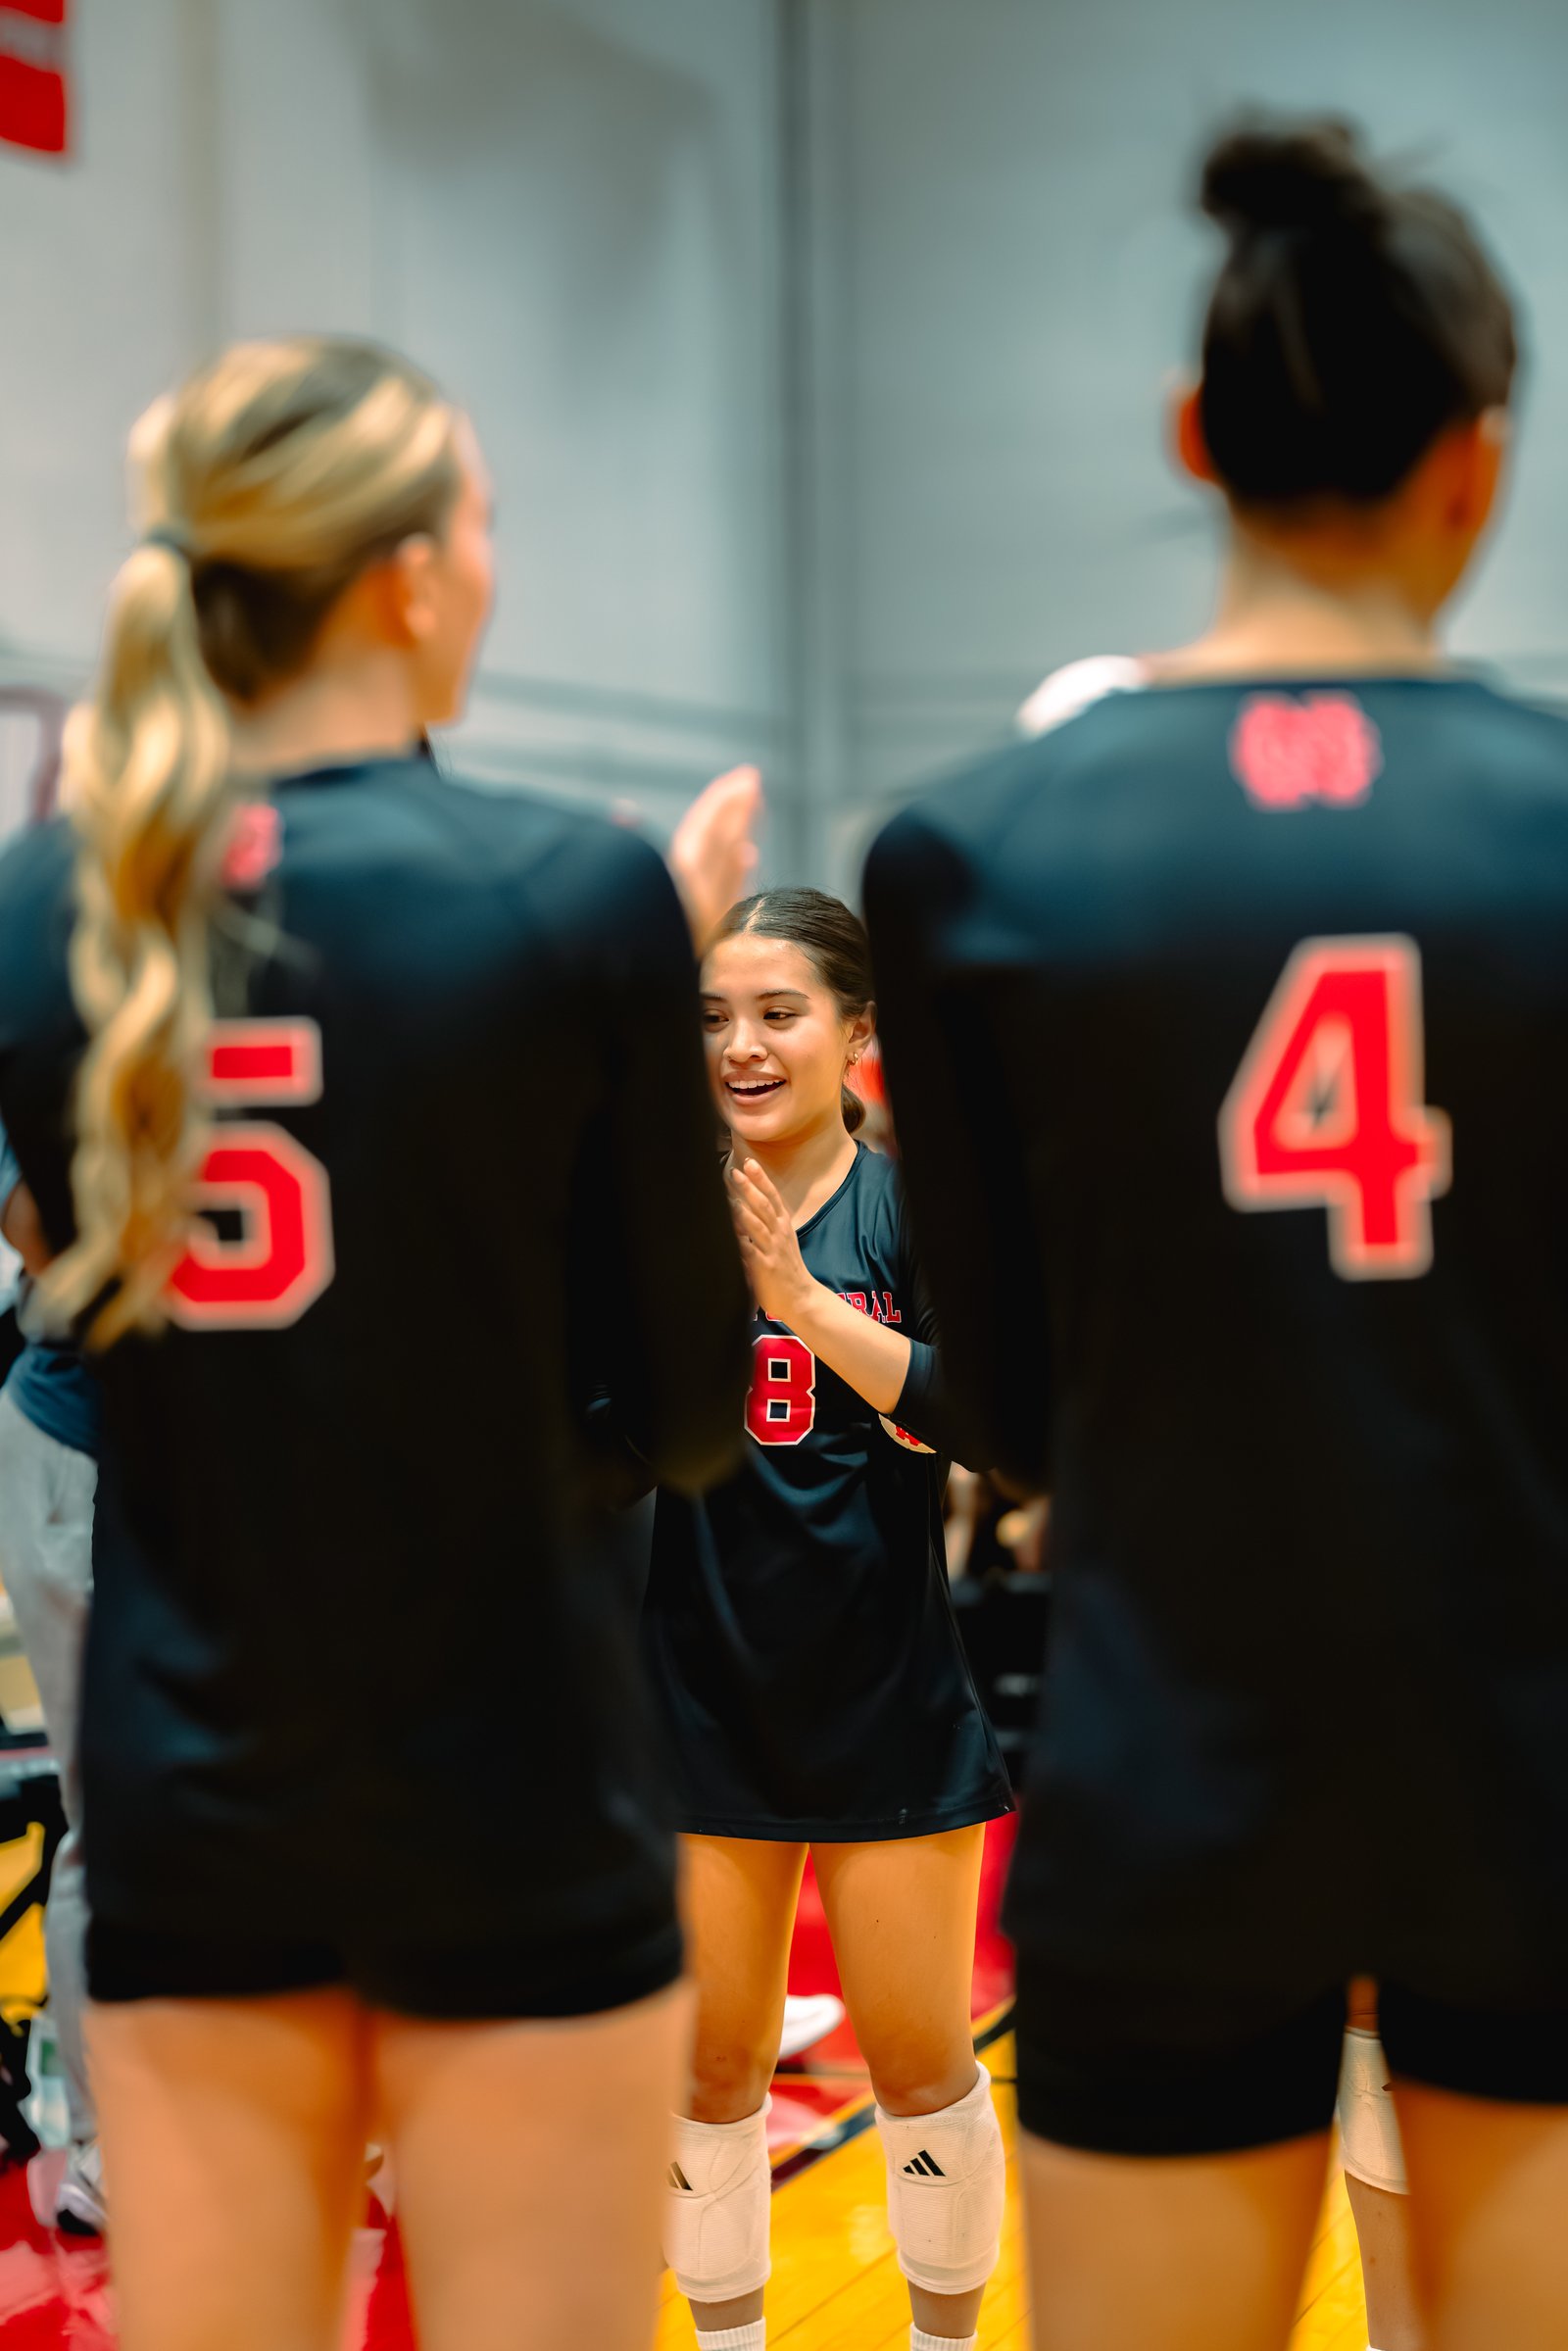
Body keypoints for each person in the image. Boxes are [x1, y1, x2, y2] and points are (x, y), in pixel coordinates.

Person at [864, 116, 1568, 2351]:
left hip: (1161, 1779)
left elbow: (992, 1390)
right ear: (1478, 459)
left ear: (1194, 439)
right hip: (1525, 1771)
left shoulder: (968, 851)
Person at [0, 333, 754, 2351]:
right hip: (513, 1786)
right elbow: (692, 1409)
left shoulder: (45, 900)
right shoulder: (569, 891)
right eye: (488, 523)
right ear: (408, 575)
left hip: (195, 1796)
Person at [642, 887, 1012, 2351]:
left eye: (778, 1011)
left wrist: (794, 1295)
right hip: (696, 1692)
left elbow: (980, 1416)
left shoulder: (912, 1212)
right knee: (710, 2062)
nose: (742, 1043)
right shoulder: (652, 1219)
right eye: (715, 1015)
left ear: (858, 1032)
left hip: (886, 1689)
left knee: (922, 2058)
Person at [0, 1128, 102, 2229]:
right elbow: (42, 1227)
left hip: (240, 1443)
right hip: (84, 1435)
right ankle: (109, 2148)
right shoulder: (32, 987)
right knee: (109, 1813)